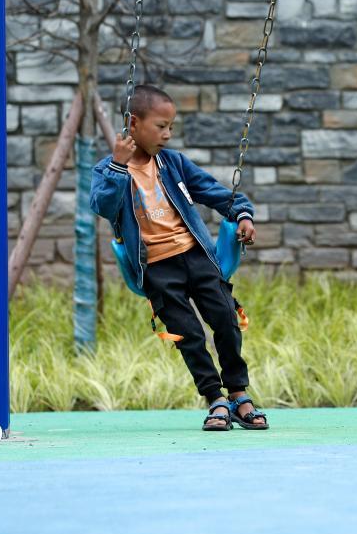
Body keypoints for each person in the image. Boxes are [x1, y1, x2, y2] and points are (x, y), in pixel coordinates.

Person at [90, 84, 267, 431]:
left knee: (226, 320)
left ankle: (238, 394)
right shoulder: (108, 169)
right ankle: (215, 399)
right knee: (188, 335)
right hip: (157, 268)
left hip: (196, 256)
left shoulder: (173, 163)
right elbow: (103, 207)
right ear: (133, 123)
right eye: (161, 126)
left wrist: (243, 214)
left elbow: (214, 192)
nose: (168, 134)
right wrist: (117, 166)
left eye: (171, 127)